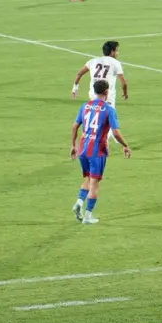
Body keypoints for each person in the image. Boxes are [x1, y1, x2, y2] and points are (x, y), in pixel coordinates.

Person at [71, 79, 131, 225]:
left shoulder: (85, 106)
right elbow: (115, 132)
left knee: (89, 178)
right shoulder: (109, 109)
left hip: (83, 149)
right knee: (95, 183)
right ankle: (88, 216)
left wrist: (73, 146)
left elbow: (74, 126)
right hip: (97, 151)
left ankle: (79, 202)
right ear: (106, 92)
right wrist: (125, 145)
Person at [73, 40, 128, 108]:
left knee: (96, 112)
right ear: (112, 52)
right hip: (107, 96)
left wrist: (75, 88)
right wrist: (125, 93)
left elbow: (79, 74)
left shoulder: (93, 61)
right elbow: (124, 83)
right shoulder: (116, 63)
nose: (117, 53)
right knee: (109, 113)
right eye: (116, 51)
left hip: (94, 94)